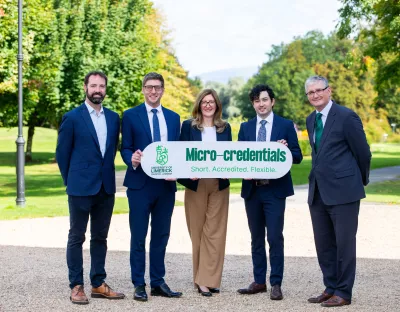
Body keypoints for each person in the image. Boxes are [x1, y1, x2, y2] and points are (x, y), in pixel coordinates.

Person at [56, 71, 124, 305]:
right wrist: (72, 181)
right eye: (93, 85)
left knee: (100, 238)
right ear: (85, 87)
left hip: (106, 188)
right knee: (76, 237)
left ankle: (98, 283)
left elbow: (111, 150)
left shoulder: (114, 118)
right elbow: (62, 154)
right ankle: (76, 286)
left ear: (106, 89)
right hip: (80, 188)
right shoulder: (72, 117)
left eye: (101, 86)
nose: (98, 89)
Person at [305, 76, 371, 307]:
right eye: (310, 92)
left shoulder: (346, 117)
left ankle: (343, 292)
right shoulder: (311, 120)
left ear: (329, 90)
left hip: (344, 192)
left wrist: (358, 181)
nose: (315, 95)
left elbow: (363, 153)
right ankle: (330, 287)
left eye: (319, 90)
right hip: (318, 193)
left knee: (344, 244)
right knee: (324, 245)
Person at [237, 84, 302, 300]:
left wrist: (284, 151)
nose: (261, 104)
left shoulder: (285, 125)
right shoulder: (245, 128)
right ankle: (258, 281)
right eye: (256, 100)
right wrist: (242, 170)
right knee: (256, 238)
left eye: (264, 99)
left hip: (275, 190)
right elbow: (239, 158)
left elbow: (297, 155)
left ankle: (276, 283)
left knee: (274, 237)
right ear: (253, 104)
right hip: (252, 191)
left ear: (272, 101)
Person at [120, 72, 182, 302]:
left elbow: (178, 151)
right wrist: (132, 158)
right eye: (149, 87)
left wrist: (180, 171)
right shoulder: (130, 116)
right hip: (139, 184)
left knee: (161, 235)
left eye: (157, 87)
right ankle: (138, 283)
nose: (153, 91)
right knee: (138, 235)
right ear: (143, 89)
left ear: (163, 90)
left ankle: (157, 282)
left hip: (165, 186)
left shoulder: (174, 118)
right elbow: (124, 147)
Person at [178, 89, 231, 297]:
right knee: (198, 232)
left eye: (212, 102)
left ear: (217, 105)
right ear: (199, 105)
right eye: (204, 102)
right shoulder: (188, 126)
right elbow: (180, 155)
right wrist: (186, 173)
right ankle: (200, 279)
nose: (208, 105)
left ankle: (208, 280)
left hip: (219, 184)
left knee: (215, 232)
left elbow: (230, 155)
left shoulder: (224, 128)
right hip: (196, 184)